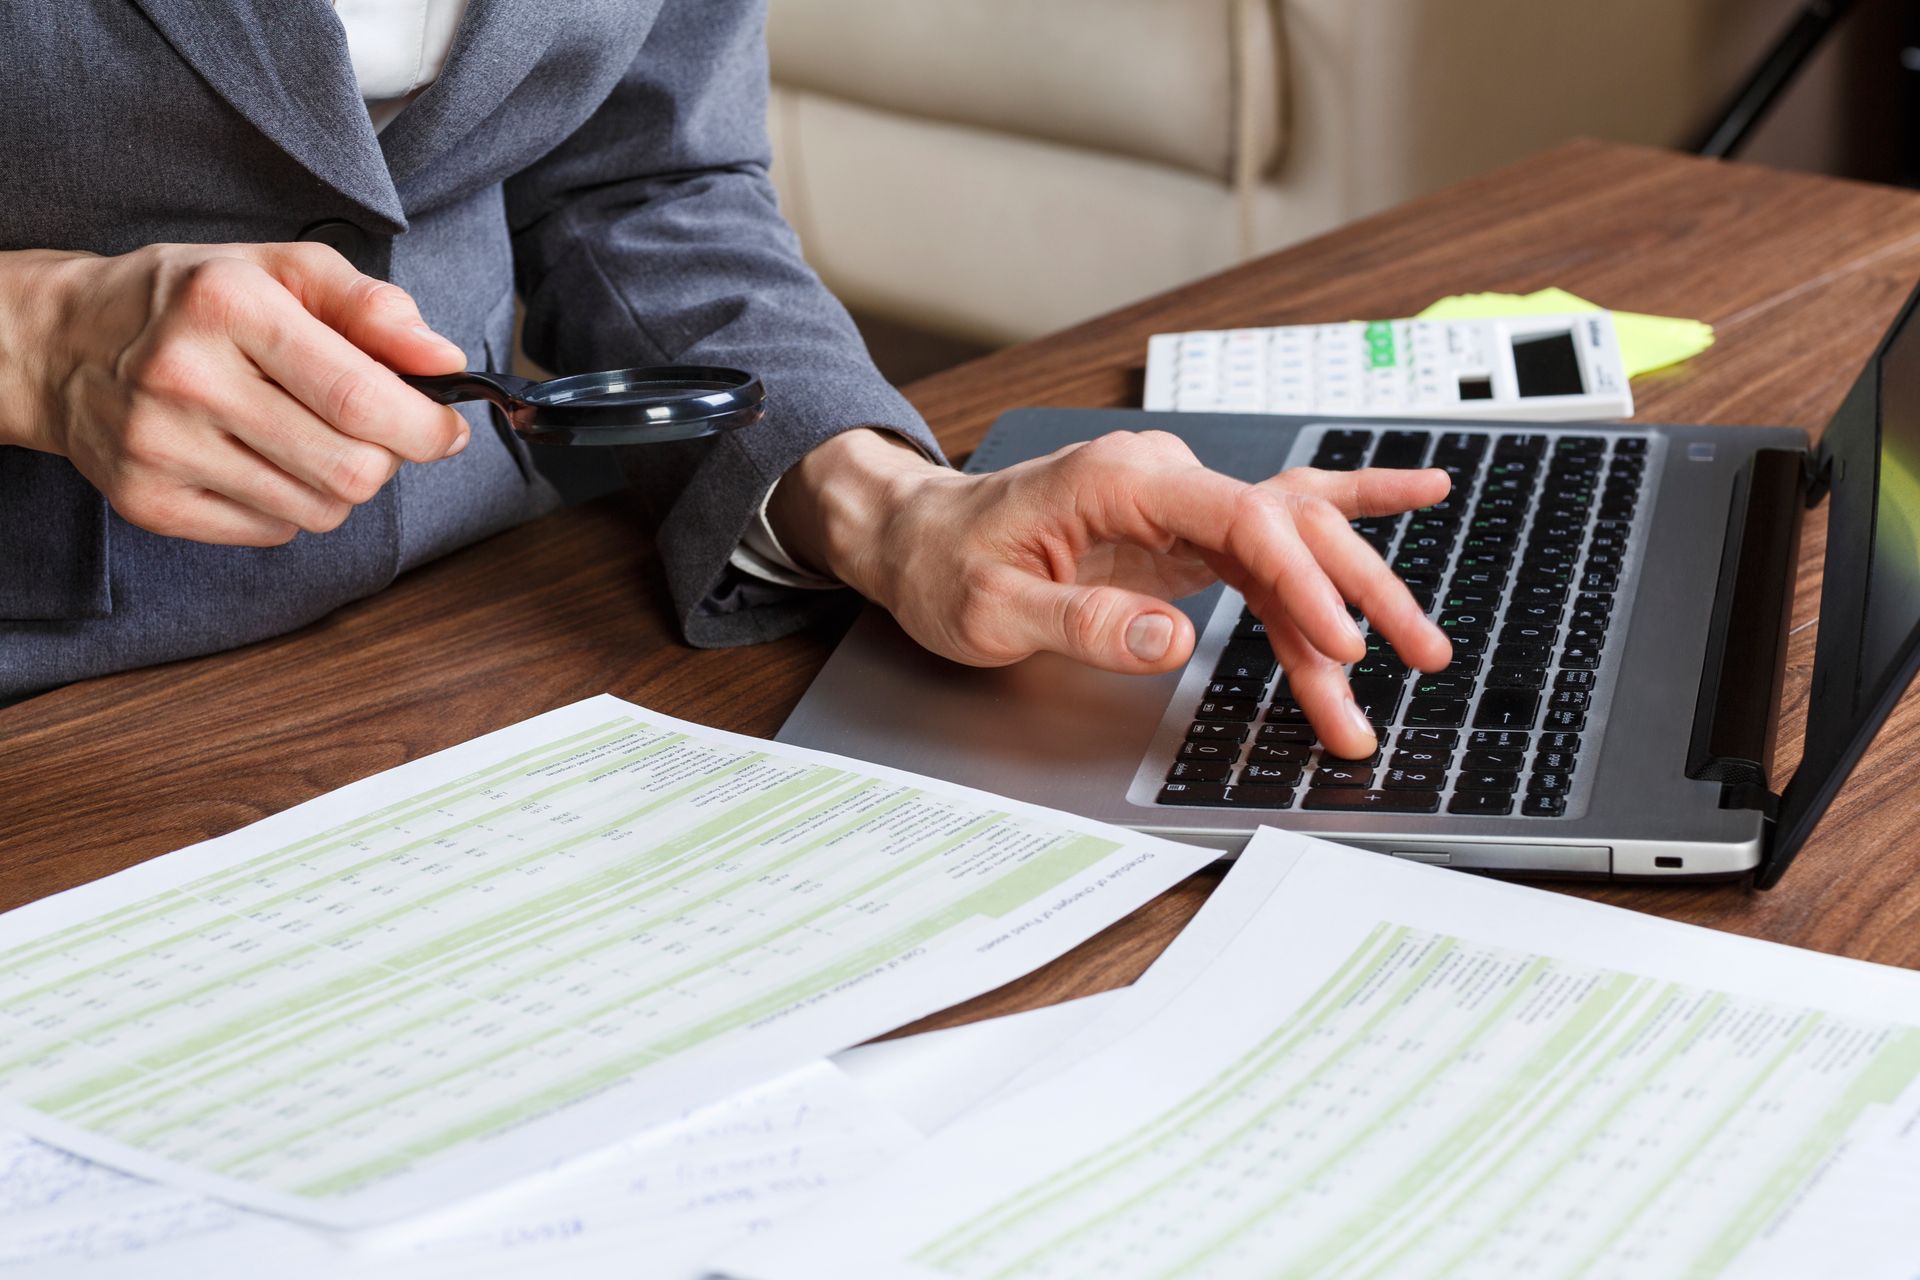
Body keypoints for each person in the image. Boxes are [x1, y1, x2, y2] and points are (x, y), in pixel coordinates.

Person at [0, 0, 1448, 758]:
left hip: (496, 632)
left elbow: (645, 176)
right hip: (53, 711)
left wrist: (889, 508)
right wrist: (40, 341)